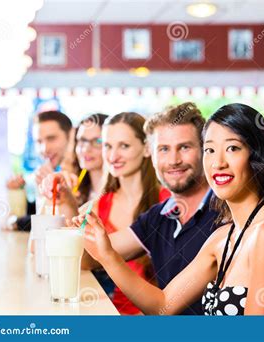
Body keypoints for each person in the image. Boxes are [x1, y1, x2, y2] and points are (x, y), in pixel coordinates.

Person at [74, 103, 264, 315]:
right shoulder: (224, 236)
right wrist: (106, 254)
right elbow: (162, 305)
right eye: (210, 150)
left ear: (257, 156)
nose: (218, 163)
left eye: (232, 148)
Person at [44, 103, 215, 315]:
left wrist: (106, 255)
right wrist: (68, 202)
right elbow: (87, 259)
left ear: (205, 150)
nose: (173, 160)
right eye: (163, 149)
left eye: (184, 147)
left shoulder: (225, 213)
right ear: (152, 154)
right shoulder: (159, 216)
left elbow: (163, 306)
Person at [4, 110, 74, 231]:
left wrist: (16, 222)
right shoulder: (53, 171)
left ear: (71, 136)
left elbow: (63, 223)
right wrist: (20, 191)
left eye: (51, 138)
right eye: (39, 141)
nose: (44, 148)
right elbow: (38, 215)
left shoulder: (83, 174)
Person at [73, 113, 108, 205]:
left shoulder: (119, 195)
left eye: (98, 141)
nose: (86, 149)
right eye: (82, 140)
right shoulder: (76, 191)